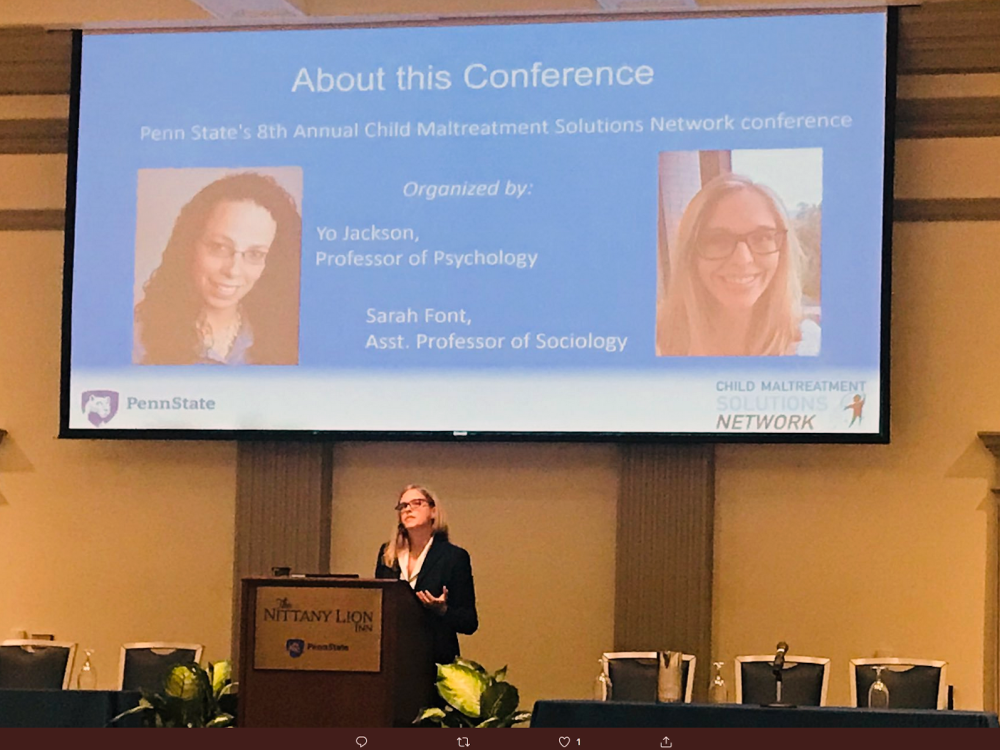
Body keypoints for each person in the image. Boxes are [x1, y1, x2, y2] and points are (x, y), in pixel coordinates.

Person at [134, 172, 302, 365]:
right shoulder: (136, 340)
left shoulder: (287, 339)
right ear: (189, 244)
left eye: (255, 254)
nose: (233, 271)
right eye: (219, 247)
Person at [655, 173, 820, 357]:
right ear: (690, 254)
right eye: (717, 240)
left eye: (762, 237)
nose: (743, 259)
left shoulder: (810, 348)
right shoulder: (650, 343)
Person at [375, 484, 478, 665]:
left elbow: (469, 622)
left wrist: (442, 610)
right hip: (393, 658)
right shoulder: (387, 555)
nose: (408, 509)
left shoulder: (453, 557)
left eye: (417, 503)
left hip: (435, 658)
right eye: (403, 506)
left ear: (433, 511)